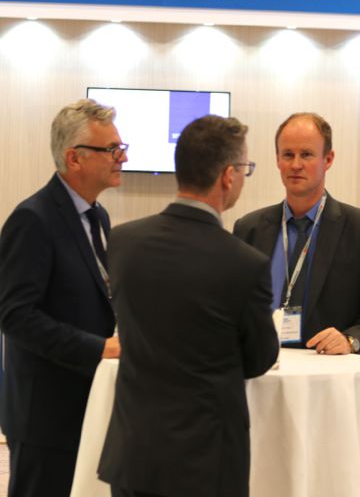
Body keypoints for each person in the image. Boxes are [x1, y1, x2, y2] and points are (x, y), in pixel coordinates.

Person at [98, 115, 279, 497]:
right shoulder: (245, 264)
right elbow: (259, 358)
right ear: (227, 176)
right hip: (206, 463)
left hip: (133, 455)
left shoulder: (123, 242)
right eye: (245, 168)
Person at [0, 98, 127, 497]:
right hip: (44, 416)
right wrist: (98, 348)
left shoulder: (98, 216)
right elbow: (16, 316)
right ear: (75, 158)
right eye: (112, 149)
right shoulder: (32, 219)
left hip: (85, 404)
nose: (122, 157)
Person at [234, 112, 360, 356]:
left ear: (328, 159)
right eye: (288, 154)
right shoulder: (249, 228)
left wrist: (351, 340)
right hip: (261, 368)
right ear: (277, 160)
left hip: (326, 370)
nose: (295, 165)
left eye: (307, 154)